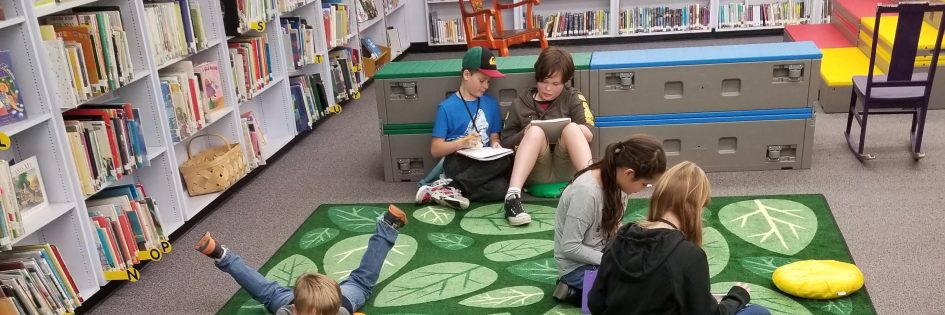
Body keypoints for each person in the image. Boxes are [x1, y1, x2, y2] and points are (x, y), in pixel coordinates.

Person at [587, 162, 771, 315]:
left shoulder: (620, 237)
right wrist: (737, 296)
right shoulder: (689, 255)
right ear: (695, 207)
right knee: (757, 312)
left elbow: (594, 303)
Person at [195, 205, 409, 315]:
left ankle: (387, 226)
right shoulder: (286, 311)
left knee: (362, 281)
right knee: (362, 281)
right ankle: (222, 254)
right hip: (325, 296)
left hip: (341, 297)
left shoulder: (340, 311)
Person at [552, 135, 667, 306]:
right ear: (629, 173)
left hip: (603, 252)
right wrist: (612, 260)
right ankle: (573, 292)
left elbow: (611, 228)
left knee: (652, 267)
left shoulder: (619, 184)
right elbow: (569, 247)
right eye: (644, 184)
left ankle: (589, 293)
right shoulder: (585, 193)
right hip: (577, 268)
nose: (644, 189)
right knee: (639, 291)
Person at [501, 46, 595, 226]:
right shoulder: (520, 103)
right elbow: (506, 143)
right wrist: (525, 133)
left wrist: (564, 125)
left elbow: (589, 133)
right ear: (537, 77)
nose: (549, 88)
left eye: (556, 84)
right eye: (544, 81)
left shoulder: (573, 97)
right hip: (537, 170)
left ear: (565, 82)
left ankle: (594, 192)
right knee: (535, 131)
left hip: (567, 167)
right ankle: (512, 198)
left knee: (573, 129)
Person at [415, 46, 513, 213]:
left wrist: (496, 145)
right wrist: (462, 143)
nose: (486, 86)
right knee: (495, 177)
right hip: (458, 161)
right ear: (467, 75)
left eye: (489, 82)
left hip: (484, 161)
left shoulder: (490, 104)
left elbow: (494, 136)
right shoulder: (446, 107)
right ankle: (453, 187)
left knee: (502, 185)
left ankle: (448, 190)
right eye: (482, 81)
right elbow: (436, 149)